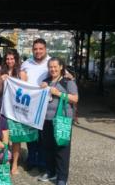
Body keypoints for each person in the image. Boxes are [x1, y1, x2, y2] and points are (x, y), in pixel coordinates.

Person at [38, 57, 78, 185]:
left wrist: (59, 94)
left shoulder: (68, 82)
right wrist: (41, 88)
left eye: (55, 67)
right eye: (50, 67)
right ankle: (51, 172)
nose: (53, 69)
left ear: (61, 67)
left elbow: (75, 99)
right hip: (46, 119)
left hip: (62, 120)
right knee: (48, 147)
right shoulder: (46, 81)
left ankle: (62, 178)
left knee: (62, 148)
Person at [21, 38, 51, 171]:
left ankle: (43, 162)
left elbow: (63, 76)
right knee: (30, 135)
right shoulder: (26, 63)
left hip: (45, 105)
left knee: (43, 136)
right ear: (32, 50)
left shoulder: (52, 62)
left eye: (40, 49)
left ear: (45, 49)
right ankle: (32, 159)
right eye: (35, 49)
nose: (38, 51)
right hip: (30, 105)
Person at [0, 49, 28, 175]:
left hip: (16, 111)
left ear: (16, 59)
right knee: (3, 136)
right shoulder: (1, 72)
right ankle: (5, 161)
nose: (9, 61)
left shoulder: (22, 73)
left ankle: (15, 163)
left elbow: (26, 92)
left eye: (12, 58)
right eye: (7, 59)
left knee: (16, 138)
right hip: (3, 108)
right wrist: (1, 81)